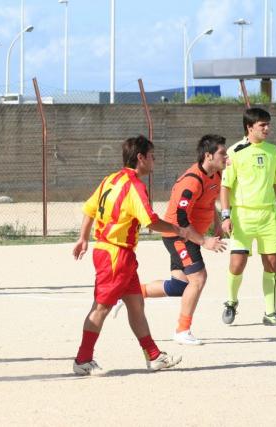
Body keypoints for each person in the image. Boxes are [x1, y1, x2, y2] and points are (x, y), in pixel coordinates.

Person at [72, 135, 186, 376]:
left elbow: (89, 209)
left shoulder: (111, 179)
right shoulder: (134, 185)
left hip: (113, 252)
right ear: (140, 158)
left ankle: (154, 356)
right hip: (116, 254)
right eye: (152, 156)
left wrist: (83, 237)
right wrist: (177, 230)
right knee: (101, 307)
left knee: (135, 304)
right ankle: (83, 359)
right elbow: (150, 221)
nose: (154, 160)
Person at [114, 135, 227, 345]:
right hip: (179, 235)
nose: (226, 156)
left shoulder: (216, 175)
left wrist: (218, 223)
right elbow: (181, 220)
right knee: (198, 278)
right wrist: (204, 241)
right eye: (222, 153)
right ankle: (182, 331)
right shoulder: (191, 181)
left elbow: (209, 201)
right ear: (208, 155)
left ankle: (128, 293)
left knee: (179, 286)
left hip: (190, 235)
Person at [221, 107, 276, 326]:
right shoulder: (234, 151)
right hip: (242, 216)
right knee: (237, 264)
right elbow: (226, 186)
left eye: (268, 124)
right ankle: (231, 301)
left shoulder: (273, 150)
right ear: (249, 127)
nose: (267, 128)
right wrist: (225, 216)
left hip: (268, 215)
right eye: (262, 125)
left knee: (272, 263)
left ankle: (270, 313)